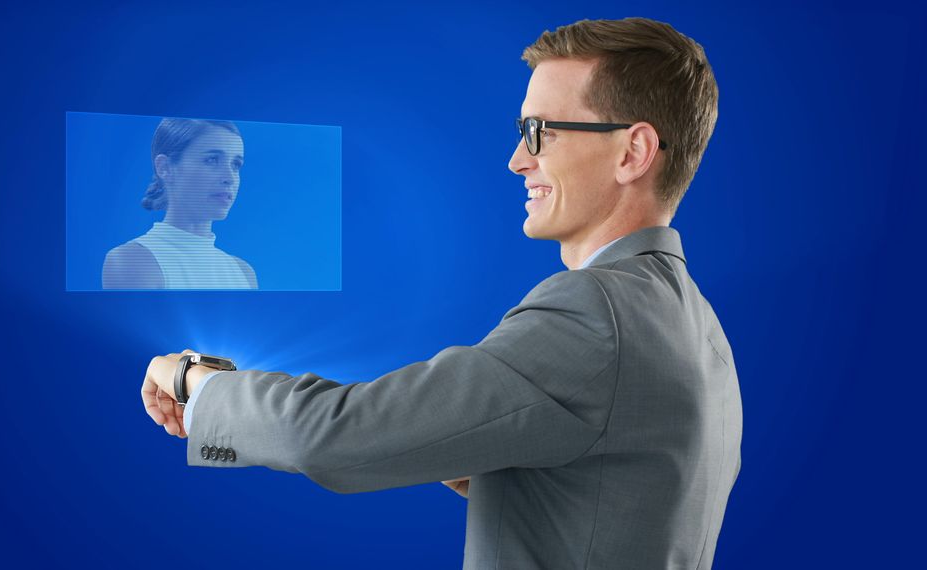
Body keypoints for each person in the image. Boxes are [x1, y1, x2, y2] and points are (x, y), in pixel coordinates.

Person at [141, 17, 741, 569]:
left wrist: (197, 382)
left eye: (539, 133)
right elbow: (613, 504)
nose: (516, 160)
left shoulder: (593, 315)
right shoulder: (699, 328)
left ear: (632, 152)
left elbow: (332, 438)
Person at [102, 117, 258, 289]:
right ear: (165, 168)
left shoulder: (244, 272)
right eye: (212, 160)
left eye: (235, 165)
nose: (229, 178)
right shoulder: (132, 261)